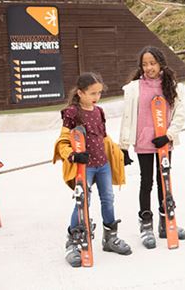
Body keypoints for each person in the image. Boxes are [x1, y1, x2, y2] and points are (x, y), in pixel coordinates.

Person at [53, 72, 132, 268]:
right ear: (80, 93)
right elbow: (63, 141)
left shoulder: (99, 111)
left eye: (98, 93)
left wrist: (120, 153)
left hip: (102, 164)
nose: (96, 97)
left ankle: (110, 238)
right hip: (84, 167)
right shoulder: (72, 113)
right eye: (92, 93)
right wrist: (72, 155)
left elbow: (102, 138)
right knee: (82, 202)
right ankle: (73, 243)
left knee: (108, 199)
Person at [119, 46, 185, 249]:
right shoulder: (133, 88)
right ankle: (146, 224)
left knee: (164, 181)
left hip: (164, 143)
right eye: (145, 64)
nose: (149, 67)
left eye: (152, 63)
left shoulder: (173, 86)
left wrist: (168, 135)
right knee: (146, 181)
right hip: (144, 142)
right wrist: (123, 147)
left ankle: (166, 221)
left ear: (160, 63)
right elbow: (127, 117)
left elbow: (180, 115)